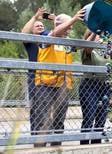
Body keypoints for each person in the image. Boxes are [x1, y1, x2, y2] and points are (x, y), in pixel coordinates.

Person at [33, 9, 85, 147]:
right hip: (45, 84)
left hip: (62, 85)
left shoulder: (68, 42)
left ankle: (56, 147)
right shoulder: (48, 36)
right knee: (43, 118)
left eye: (71, 28)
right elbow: (55, 34)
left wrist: (93, 32)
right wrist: (73, 19)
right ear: (58, 24)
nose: (69, 30)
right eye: (68, 26)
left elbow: (83, 46)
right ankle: (39, 148)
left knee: (59, 119)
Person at [79, 26, 112, 144]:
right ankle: (84, 145)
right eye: (99, 35)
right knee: (90, 115)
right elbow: (89, 46)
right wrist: (95, 32)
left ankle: (96, 142)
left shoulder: (105, 50)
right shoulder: (87, 48)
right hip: (89, 85)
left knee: (101, 116)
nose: (101, 37)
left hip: (104, 85)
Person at [21, 8, 55, 136]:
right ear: (32, 29)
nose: (40, 26)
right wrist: (35, 18)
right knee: (36, 108)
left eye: (41, 25)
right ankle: (35, 135)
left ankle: (48, 134)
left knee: (50, 108)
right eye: (37, 26)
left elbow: (57, 33)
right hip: (34, 77)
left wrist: (55, 20)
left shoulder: (46, 37)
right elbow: (23, 34)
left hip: (49, 77)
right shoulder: (31, 41)